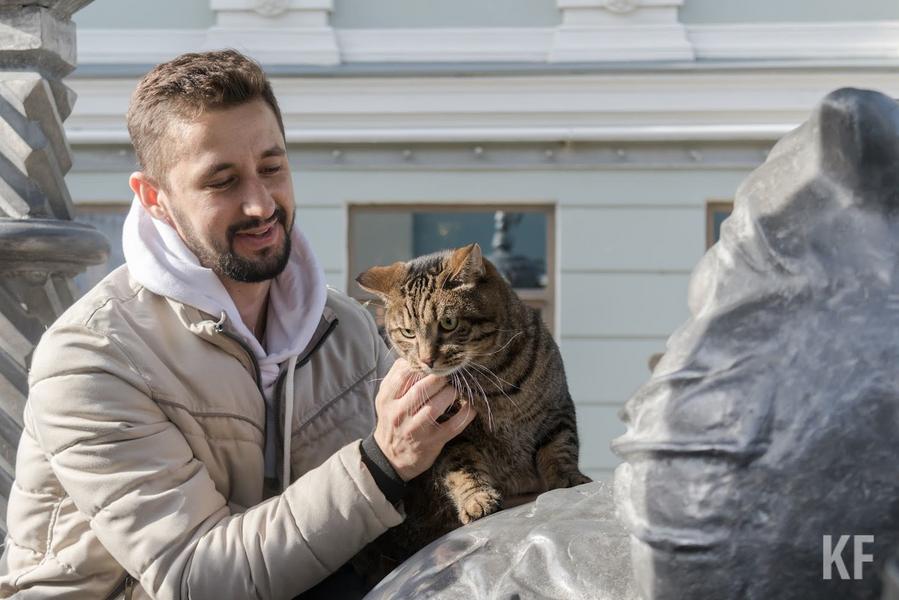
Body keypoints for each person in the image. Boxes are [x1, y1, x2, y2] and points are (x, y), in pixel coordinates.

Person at [0, 50, 475, 599]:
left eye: (272, 168)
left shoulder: (346, 328)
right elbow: (197, 579)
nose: (259, 204)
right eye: (221, 182)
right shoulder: (93, 357)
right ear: (155, 198)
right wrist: (380, 464)